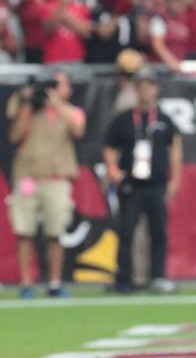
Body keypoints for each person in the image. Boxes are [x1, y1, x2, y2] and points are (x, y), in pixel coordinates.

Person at [103, 67, 182, 295]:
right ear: (136, 89)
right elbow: (109, 145)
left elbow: (175, 149)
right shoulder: (124, 118)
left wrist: (175, 179)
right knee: (126, 231)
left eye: (149, 85)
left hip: (156, 184)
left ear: (156, 89)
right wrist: (112, 169)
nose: (145, 90)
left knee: (158, 231)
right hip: (131, 184)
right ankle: (124, 279)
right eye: (141, 86)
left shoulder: (165, 120)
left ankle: (157, 276)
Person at [5, 71, 85, 298]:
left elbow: (78, 130)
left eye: (58, 85)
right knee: (24, 231)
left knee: (55, 232)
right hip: (27, 176)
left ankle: (54, 282)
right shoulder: (25, 105)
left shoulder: (71, 111)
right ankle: (26, 283)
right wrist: (28, 105)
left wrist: (56, 104)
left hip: (56, 178)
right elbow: (15, 135)